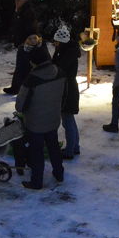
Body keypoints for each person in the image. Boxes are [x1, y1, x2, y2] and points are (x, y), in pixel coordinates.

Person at [16, 47, 66, 190]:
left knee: (36, 152)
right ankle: (59, 173)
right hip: (53, 119)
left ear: (33, 62)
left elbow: (20, 105)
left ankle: (36, 181)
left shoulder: (32, 79)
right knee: (54, 147)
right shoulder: (60, 73)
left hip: (35, 124)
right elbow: (64, 96)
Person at [52, 26, 82, 159]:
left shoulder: (66, 54)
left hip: (67, 91)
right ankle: (75, 147)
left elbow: (58, 69)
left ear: (61, 42)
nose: (54, 44)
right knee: (70, 120)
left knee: (67, 121)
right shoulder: (67, 51)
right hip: (69, 88)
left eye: (56, 42)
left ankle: (70, 150)